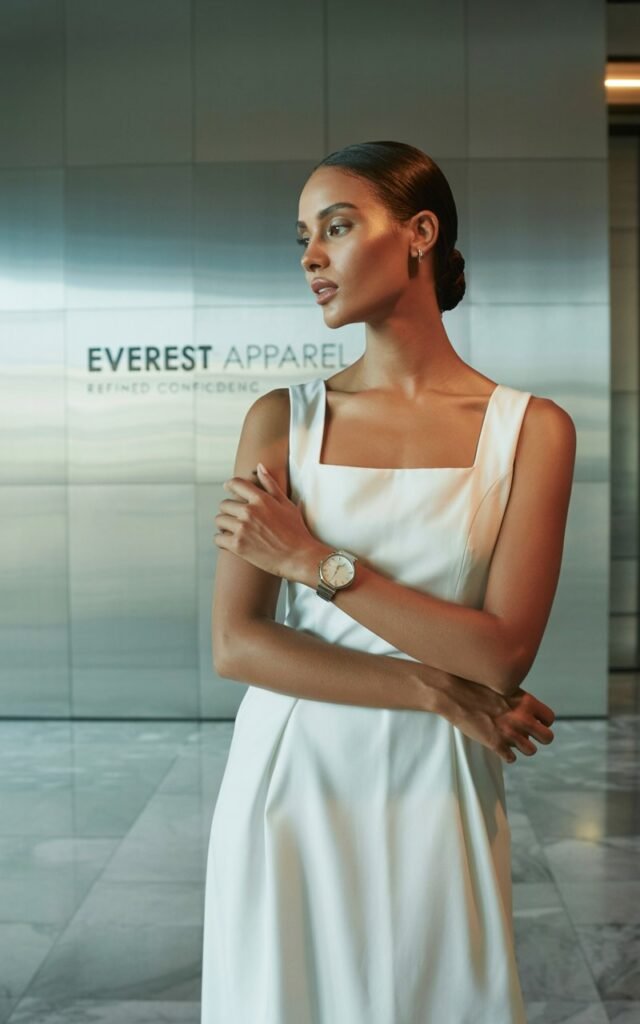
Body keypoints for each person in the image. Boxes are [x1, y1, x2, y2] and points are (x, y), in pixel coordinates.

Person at [201, 140, 576, 1023]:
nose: (311, 257)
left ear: (419, 233)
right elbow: (236, 644)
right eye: (302, 236)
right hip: (293, 773)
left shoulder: (531, 430)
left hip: (439, 780)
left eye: (336, 227)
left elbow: (502, 656)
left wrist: (313, 564)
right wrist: (429, 686)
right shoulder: (281, 421)